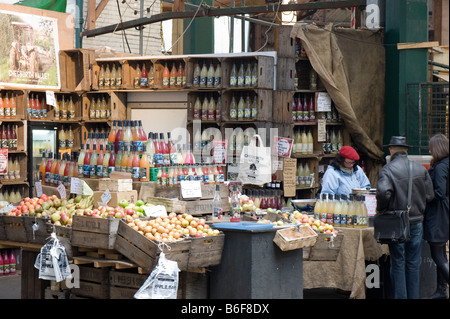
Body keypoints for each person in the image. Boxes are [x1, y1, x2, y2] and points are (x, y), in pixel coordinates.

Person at [376, 136, 434, 299]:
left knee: (398, 262)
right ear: (407, 150)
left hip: (395, 222)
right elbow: (430, 196)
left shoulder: (387, 170)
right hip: (416, 221)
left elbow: (383, 193)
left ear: (391, 150)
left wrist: (382, 210)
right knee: (414, 264)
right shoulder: (421, 169)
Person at [423, 134, 449, 299]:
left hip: (438, 213)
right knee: (442, 253)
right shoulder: (445, 164)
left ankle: (442, 290)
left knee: (437, 254)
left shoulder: (440, 167)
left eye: (431, 147)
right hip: (444, 212)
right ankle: (441, 291)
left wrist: (424, 195)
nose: (429, 150)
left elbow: (438, 192)